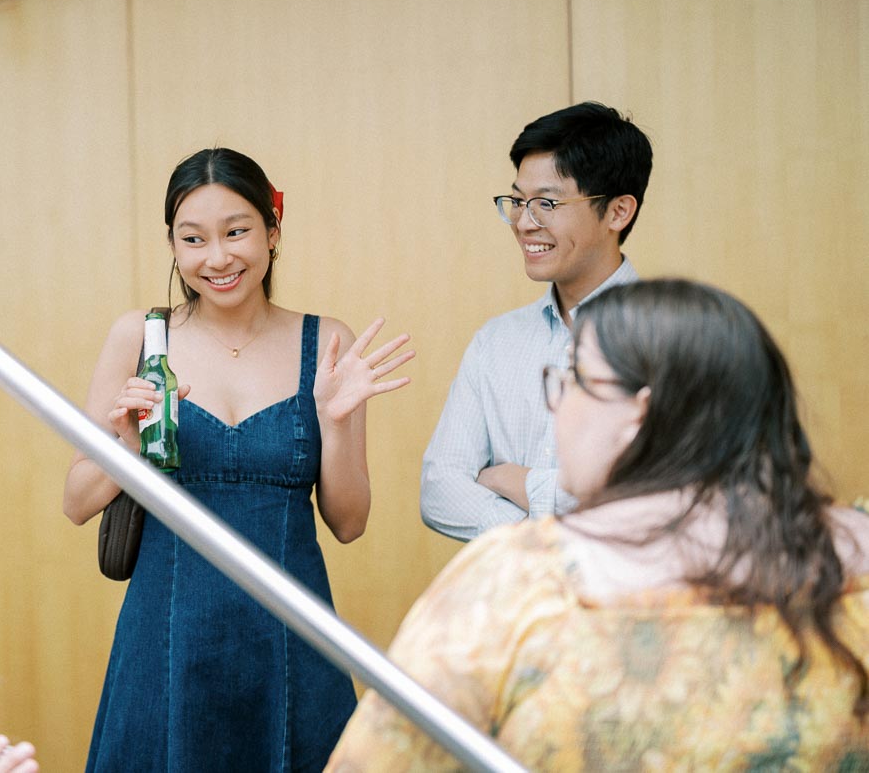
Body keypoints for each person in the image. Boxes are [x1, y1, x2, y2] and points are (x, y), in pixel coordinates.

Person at [328, 279, 869, 770]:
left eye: (572, 380)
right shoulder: (858, 556)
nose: (556, 404)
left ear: (638, 411)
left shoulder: (519, 580)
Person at [64, 147, 414, 772]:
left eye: (237, 232)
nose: (218, 258)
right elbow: (76, 502)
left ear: (273, 232)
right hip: (165, 636)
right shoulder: (139, 337)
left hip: (292, 638)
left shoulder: (325, 339)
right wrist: (126, 445)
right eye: (193, 239)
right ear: (172, 246)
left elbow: (350, 521)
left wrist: (335, 425)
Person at [420, 101, 653, 541]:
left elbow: (653, 500)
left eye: (546, 203)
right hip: (517, 604)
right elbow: (438, 490)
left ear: (618, 212)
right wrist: (538, 537)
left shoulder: (673, 337)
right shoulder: (497, 340)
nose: (524, 223)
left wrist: (518, 482)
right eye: (517, 201)